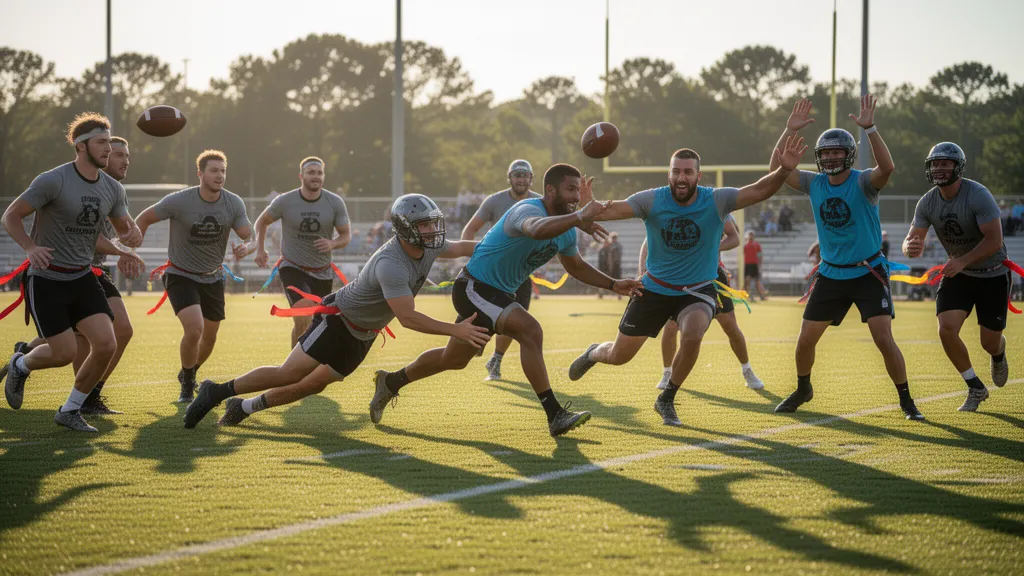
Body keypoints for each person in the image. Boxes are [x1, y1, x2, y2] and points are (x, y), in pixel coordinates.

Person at [371, 164, 638, 437]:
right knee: (530, 331)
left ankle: (391, 381)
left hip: (495, 293)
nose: (575, 197)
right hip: (475, 287)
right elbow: (535, 229)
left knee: (453, 359)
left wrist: (613, 283)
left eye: (577, 192)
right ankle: (555, 414)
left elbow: (576, 266)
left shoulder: (568, 229)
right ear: (549, 190)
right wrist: (580, 215)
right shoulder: (529, 209)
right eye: (570, 190)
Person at [182, 194, 491, 429]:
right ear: (406, 228)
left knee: (314, 384)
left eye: (432, 223)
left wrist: (505, 246)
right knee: (290, 373)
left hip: (363, 333)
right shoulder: (391, 264)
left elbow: (464, 247)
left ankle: (244, 408)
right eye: (424, 224)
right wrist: (456, 330)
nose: (432, 230)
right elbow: (408, 317)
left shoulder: (428, 244)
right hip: (338, 320)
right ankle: (216, 391)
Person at [566, 137, 806, 426]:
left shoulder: (716, 199)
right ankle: (594, 352)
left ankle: (666, 397)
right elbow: (610, 209)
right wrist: (587, 205)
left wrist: (783, 171)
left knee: (693, 333)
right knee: (619, 356)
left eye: (688, 172)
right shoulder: (652, 199)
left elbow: (757, 191)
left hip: (697, 288)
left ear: (698, 176)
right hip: (654, 287)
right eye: (676, 171)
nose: (681, 177)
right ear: (669, 173)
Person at [770, 96, 923, 420]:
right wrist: (788, 130)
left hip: (867, 272)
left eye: (836, 152)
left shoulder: (863, 181)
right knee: (804, 341)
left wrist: (870, 129)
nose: (830, 158)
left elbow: (888, 168)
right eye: (825, 153)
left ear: (849, 154)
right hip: (831, 274)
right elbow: (777, 171)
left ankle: (907, 400)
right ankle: (803, 388)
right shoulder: (815, 182)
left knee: (883, 338)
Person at [1, 112, 143, 432]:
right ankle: (21, 364)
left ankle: (71, 409)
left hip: (82, 276)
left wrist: (130, 240)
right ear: (81, 146)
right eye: (101, 142)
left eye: (110, 141)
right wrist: (29, 247)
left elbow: (123, 229)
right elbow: (11, 216)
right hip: (47, 277)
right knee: (63, 353)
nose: (108, 148)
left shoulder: (112, 189)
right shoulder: (53, 180)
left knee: (106, 343)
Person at [135, 150, 256, 404]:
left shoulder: (233, 203)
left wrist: (246, 248)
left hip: (213, 277)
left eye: (223, 171)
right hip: (181, 274)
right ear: (200, 173)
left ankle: (187, 373)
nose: (219, 175)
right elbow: (144, 218)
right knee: (194, 328)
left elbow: (250, 236)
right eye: (214, 170)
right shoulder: (179, 201)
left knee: (209, 338)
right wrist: (130, 248)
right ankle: (188, 387)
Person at [902, 142, 1010, 411]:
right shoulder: (927, 201)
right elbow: (911, 238)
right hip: (959, 273)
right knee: (946, 329)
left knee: (990, 342)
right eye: (935, 163)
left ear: (958, 167)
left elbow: (995, 240)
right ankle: (975, 386)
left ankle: (998, 354)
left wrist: (961, 261)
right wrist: (910, 247)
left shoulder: (978, 195)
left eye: (945, 163)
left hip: (992, 273)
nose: (939, 168)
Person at [645, 213, 765, 392]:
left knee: (730, 326)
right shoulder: (673, 209)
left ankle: (747, 370)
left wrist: (714, 246)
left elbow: (735, 237)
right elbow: (648, 242)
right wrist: (644, 269)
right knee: (671, 327)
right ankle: (667, 373)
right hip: (682, 278)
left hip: (713, 277)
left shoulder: (713, 205)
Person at [253, 157, 351, 347]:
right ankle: (293, 372)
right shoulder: (285, 201)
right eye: (311, 172)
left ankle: (299, 363)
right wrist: (259, 248)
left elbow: (345, 236)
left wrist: (332, 243)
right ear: (301, 176)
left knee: (316, 324)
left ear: (324, 176)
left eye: (319, 173)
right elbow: (262, 221)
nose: (316, 176)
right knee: (303, 314)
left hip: (322, 270)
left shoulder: (335, 202)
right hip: (293, 266)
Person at [460, 159, 541, 380]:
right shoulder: (494, 201)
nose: (521, 179)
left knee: (515, 321)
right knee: (479, 316)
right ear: (510, 178)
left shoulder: (540, 202)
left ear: (531, 179)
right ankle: (477, 339)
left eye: (525, 175)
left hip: (519, 275)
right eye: (517, 175)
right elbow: (470, 229)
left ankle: (496, 360)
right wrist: (473, 260)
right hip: (489, 274)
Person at [743, 230, 767, 300]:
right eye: (750, 235)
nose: (751, 236)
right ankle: (747, 296)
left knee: (757, 281)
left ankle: (762, 296)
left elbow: (760, 255)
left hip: (754, 265)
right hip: (747, 265)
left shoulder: (756, 244)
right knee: (747, 281)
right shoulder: (745, 245)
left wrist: (760, 265)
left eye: (752, 235)